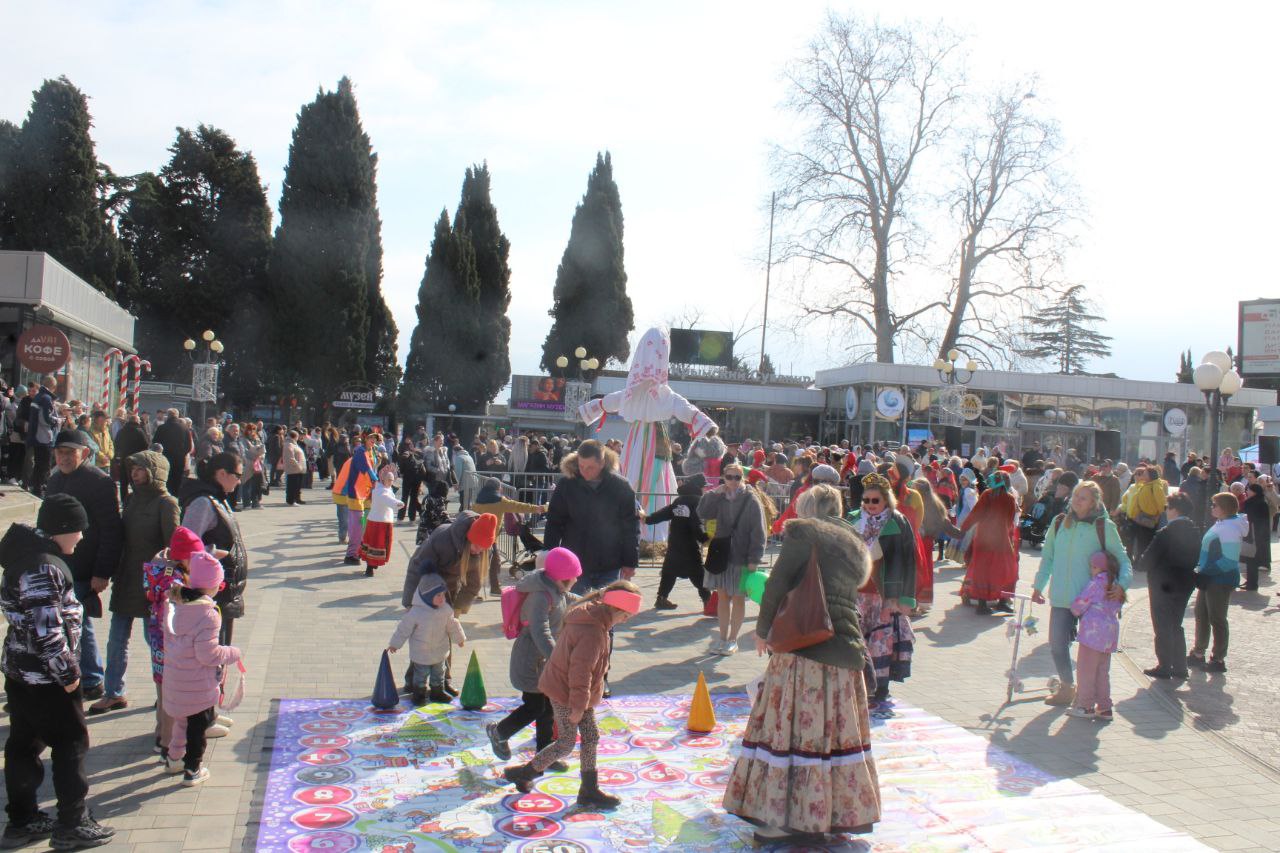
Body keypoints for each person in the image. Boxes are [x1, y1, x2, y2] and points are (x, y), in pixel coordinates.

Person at [725, 484, 880, 843]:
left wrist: (763, 631)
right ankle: (825, 816)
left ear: (806, 506)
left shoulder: (804, 532)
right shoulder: (854, 541)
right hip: (844, 649)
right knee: (832, 735)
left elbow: (777, 585)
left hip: (805, 647)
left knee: (792, 730)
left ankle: (786, 820)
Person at [0, 494, 117, 849]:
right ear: (62, 529)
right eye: (78, 530)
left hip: (22, 674)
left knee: (23, 743)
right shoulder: (44, 567)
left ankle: (22, 818)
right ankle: (71, 823)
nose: (81, 537)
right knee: (70, 744)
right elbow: (47, 631)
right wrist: (70, 676)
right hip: (46, 679)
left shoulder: (27, 557)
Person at [500, 580, 642, 811]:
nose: (627, 620)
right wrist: (577, 706)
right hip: (566, 691)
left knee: (591, 736)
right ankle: (523, 773)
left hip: (575, 691)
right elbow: (580, 671)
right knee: (566, 742)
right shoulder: (593, 630)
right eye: (626, 615)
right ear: (615, 609)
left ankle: (588, 789)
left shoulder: (596, 617)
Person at [577, 328, 718, 542]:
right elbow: (686, 409)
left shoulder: (632, 393)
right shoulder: (662, 395)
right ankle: (649, 531)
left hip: (639, 439)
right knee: (651, 477)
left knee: (635, 474)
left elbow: (609, 401)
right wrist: (705, 424)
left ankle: (640, 529)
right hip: (652, 438)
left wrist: (590, 409)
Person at [88, 451, 180, 717]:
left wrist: (167, 582)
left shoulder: (167, 503)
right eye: (134, 469)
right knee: (116, 639)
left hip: (152, 584)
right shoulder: (130, 499)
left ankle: (166, 690)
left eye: (141, 469)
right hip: (127, 578)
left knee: (155, 641)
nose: (135, 473)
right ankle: (113, 692)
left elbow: (173, 547)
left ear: (155, 472)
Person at [1032, 481, 1131, 706]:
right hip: (1061, 597)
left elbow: (1124, 560)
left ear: (1094, 502)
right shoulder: (1059, 523)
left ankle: (1091, 697)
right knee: (1057, 644)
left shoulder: (1103, 527)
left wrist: (1122, 585)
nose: (1076, 501)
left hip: (1092, 602)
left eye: (1083, 497)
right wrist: (1039, 585)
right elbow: (1048, 557)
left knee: (1092, 655)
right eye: (1076, 495)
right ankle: (1067, 686)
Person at [45, 430, 124, 703]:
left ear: (85, 453)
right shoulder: (54, 480)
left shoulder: (99, 482)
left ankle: (92, 679)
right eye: (60, 452)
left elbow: (111, 530)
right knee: (66, 624)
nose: (65, 457)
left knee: (80, 624)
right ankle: (73, 675)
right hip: (57, 566)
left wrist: (103, 571)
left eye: (70, 452)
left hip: (84, 567)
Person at [487, 547, 580, 768]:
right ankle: (499, 732)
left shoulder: (554, 588)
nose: (576, 579)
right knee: (535, 707)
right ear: (563, 577)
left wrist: (597, 601)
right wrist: (557, 657)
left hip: (544, 660)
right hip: (531, 660)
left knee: (547, 708)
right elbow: (541, 631)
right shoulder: (541, 595)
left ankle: (544, 755)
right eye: (574, 576)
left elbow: (569, 598)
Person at [161, 552, 243, 787]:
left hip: (175, 680)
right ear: (213, 585)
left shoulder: (175, 606)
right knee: (197, 730)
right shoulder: (207, 614)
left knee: (181, 723)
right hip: (197, 685)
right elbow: (208, 655)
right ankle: (193, 768)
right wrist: (232, 653)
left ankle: (174, 758)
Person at [846, 473, 917, 706]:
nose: (869, 505)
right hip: (856, 592)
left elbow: (908, 560)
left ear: (886, 500)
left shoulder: (897, 522)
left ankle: (880, 688)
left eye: (875, 501)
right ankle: (857, 684)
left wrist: (905, 597)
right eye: (866, 500)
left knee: (880, 642)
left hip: (884, 595)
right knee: (856, 640)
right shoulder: (853, 519)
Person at [543, 440, 639, 595]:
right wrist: (548, 556)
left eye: (590, 467)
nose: (584, 471)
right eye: (581, 466)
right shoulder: (567, 485)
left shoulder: (621, 486)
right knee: (574, 614)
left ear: (602, 463)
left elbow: (630, 527)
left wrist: (630, 562)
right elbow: (554, 522)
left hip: (610, 564)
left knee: (606, 615)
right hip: (574, 564)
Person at [179, 453, 248, 657]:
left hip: (223, 591)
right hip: (210, 594)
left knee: (219, 655)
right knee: (211, 657)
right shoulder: (203, 502)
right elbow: (185, 547)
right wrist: (212, 553)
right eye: (237, 475)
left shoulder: (218, 498)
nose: (239, 480)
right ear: (221, 474)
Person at [697, 462, 767, 655]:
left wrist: (755, 557)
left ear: (742, 478)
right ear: (723, 477)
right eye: (729, 477)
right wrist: (713, 493)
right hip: (722, 554)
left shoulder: (751, 499)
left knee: (738, 598)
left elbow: (758, 532)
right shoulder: (719, 497)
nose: (733, 481)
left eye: (737, 477)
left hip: (742, 557)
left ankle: (732, 639)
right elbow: (702, 513)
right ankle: (721, 638)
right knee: (722, 597)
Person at [1137, 492, 1199, 680]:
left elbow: (1147, 560)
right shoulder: (1194, 530)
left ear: (1174, 509)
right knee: (1176, 624)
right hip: (1185, 582)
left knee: (1162, 624)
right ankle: (1180, 667)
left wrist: (1140, 563)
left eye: (1167, 507)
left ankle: (1164, 665)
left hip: (1163, 583)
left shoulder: (1167, 532)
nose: (1165, 511)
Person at [1189, 492, 1247, 673]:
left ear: (1224, 508)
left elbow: (1229, 560)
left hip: (1220, 579)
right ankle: (1199, 652)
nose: (1211, 507)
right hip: (1210, 577)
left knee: (1217, 618)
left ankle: (1218, 658)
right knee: (1202, 613)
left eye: (1215, 505)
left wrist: (1206, 571)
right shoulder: (1223, 523)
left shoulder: (1229, 527)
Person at [403, 511, 502, 617]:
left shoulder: (481, 552)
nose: (479, 551)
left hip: (450, 581)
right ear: (469, 538)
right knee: (424, 618)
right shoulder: (442, 539)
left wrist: (458, 608)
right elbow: (417, 570)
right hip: (428, 575)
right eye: (477, 546)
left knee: (446, 617)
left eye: (483, 548)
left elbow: (473, 584)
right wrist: (410, 603)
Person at [1066, 544, 1125, 721]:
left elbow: (1079, 604)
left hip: (1092, 634)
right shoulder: (1115, 586)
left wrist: (1074, 610)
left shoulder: (1095, 583)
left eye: (1094, 567)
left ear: (1101, 568)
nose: (1091, 570)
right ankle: (1105, 707)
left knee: (1086, 670)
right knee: (1102, 671)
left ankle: (1085, 705)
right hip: (1109, 635)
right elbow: (1118, 605)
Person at [388, 573, 466, 705]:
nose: (442, 599)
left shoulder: (446, 610)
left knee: (439, 673)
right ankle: (419, 693)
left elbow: (453, 624)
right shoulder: (416, 612)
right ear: (427, 597)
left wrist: (459, 638)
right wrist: (395, 644)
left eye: (443, 594)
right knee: (421, 675)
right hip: (421, 653)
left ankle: (437, 691)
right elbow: (403, 629)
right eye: (438, 595)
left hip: (440, 652)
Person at [644, 475, 710, 610]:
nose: (705, 489)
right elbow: (695, 523)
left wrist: (648, 519)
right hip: (690, 544)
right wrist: (704, 538)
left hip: (675, 542)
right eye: (704, 486)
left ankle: (661, 599)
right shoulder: (698, 501)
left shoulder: (679, 500)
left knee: (669, 572)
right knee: (697, 573)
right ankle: (708, 601)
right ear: (699, 487)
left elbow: (665, 513)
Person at [959, 471, 1020, 615]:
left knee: (982, 570)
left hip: (983, 539)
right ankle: (1003, 602)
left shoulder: (987, 494)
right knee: (1006, 570)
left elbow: (976, 514)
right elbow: (1010, 521)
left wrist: (963, 529)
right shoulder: (1010, 498)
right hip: (1001, 540)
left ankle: (982, 604)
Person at [332, 432, 377, 564]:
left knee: (364, 523)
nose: (373, 440)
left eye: (375, 438)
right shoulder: (360, 453)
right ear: (364, 439)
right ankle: (351, 554)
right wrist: (377, 481)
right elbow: (369, 471)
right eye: (371, 437)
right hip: (353, 494)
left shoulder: (371, 453)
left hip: (366, 494)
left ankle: (359, 548)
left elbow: (372, 470)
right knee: (355, 525)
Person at [360, 465, 404, 578]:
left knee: (377, 545)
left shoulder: (384, 489)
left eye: (392, 480)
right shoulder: (380, 491)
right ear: (383, 479)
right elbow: (388, 500)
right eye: (389, 480)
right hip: (378, 523)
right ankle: (370, 567)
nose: (390, 482)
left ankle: (372, 565)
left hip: (382, 521)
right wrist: (398, 503)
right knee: (375, 545)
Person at [24, 375, 60, 496]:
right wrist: (57, 420)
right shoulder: (46, 398)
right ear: (53, 387)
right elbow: (45, 419)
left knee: (39, 463)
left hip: (36, 435)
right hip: (44, 437)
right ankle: (39, 488)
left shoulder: (38, 397)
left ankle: (36, 487)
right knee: (44, 464)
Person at [1123, 466, 1167, 563]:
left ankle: (1142, 562)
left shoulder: (1155, 485)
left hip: (1148, 518)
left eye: (1145, 473)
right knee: (1140, 542)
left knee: (1144, 543)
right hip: (1140, 517)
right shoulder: (1146, 484)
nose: (1142, 475)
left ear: (1151, 475)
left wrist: (1157, 517)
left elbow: (1161, 503)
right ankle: (1138, 561)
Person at [1239, 482, 1270, 591]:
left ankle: (1252, 584)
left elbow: (1262, 521)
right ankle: (1250, 582)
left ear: (1254, 491)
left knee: (1252, 560)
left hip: (1255, 535)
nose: (1247, 491)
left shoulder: (1260, 503)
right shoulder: (1252, 502)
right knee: (1250, 560)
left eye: (1249, 490)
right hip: (1250, 533)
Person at [153, 408, 192, 496]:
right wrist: (182, 454)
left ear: (168, 416)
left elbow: (155, 443)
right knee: (176, 482)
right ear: (177, 416)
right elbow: (189, 446)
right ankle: (175, 501)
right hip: (179, 460)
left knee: (164, 480)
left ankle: (163, 500)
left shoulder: (162, 428)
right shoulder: (185, 429)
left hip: (164, 458)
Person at [282, 430, 307, 506]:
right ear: (295, 436)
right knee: (292, 485)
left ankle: (296, 499)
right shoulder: (288, 444)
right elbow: (290, 458)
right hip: (293, 469)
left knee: (297, 485)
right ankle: (291, 500)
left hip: (298, 469)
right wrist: (298, 465)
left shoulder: (294, 444)